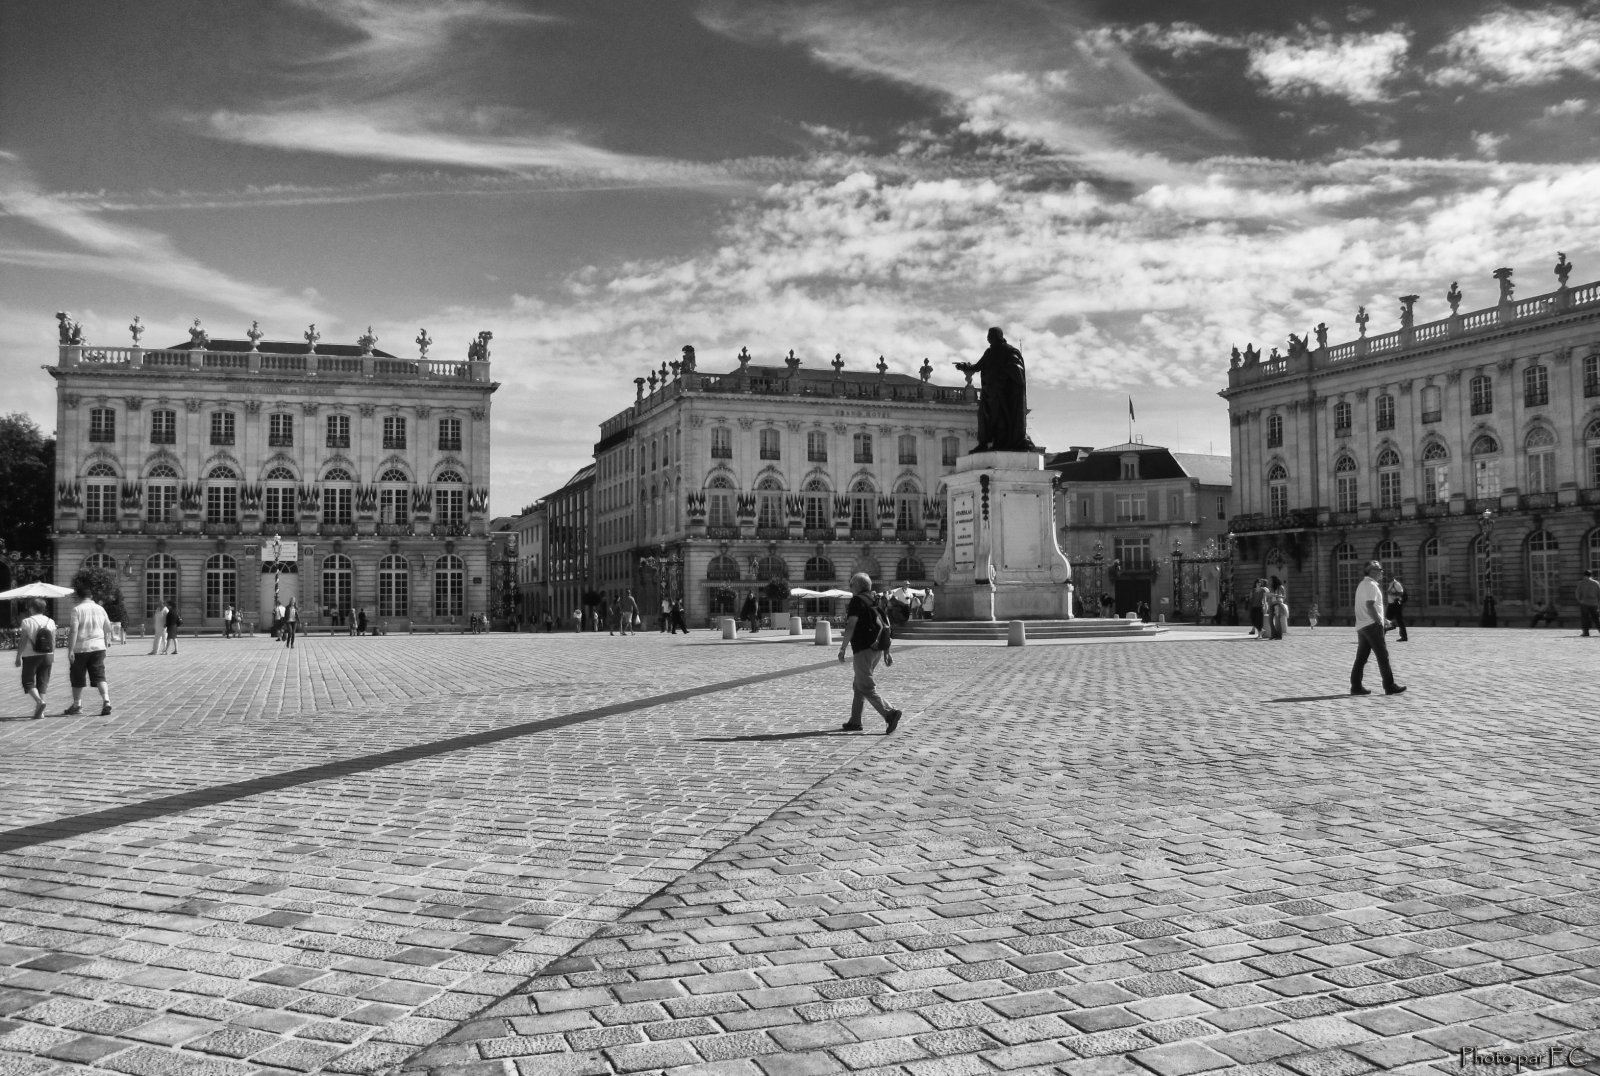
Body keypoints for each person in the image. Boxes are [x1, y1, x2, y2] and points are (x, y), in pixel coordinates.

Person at [837, 572, 902, 734]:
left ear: (857, 586)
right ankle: (855, 721)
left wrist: (843, 647)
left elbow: (851, 624)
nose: (850, 588)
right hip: (876, 650)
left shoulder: (857, 601)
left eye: (851, 585)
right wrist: (887, 651)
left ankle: (890, 713)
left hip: (863, 649)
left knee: (866, 686)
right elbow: (886, 625)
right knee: (858, 685)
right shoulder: (875, 599)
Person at [953, 326, 1035, 452]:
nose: (988, 338)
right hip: (989, 392)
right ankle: (984, 442)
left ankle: (999, 443)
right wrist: (965, 366)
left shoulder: (1009, 351)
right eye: (988, 336)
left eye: (990, 335)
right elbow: (977, 366)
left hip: (1003, 393)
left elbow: (1017, 370)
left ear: (998, 336)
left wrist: (1002, 374)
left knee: (1000, 418)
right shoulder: (989, 352)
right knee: (983, 416)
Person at [1351, 560, 1406, 697]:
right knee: (1383, 656)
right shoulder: (1371, 586)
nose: (1382, 572)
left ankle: (1356, 686)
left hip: (1362, 625)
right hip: (1371, 626)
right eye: (1380, 569)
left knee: (1361, 658)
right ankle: (1389, 685)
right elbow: (1370, 606)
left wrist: (1383, 619)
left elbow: (1368, 607)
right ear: (1372, 571)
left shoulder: (1362, 584)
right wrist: (1379, 623)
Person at [65, 578, 114, 717]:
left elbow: (74, 630)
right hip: (98, 647)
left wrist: (70, 650)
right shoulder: (100, 608)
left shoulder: (77, 609)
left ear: (79, 597)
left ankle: (77, 705)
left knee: (77, 676)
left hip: (81, 648)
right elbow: (108, 628)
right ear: (91, 596)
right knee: (99, 675)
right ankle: (106, 701)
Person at [16, 597, 55, 720]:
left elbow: (23, 640)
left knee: (27, 681)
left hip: (30, 655)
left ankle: (39, 701)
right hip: (47, 655)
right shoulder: (50, 621)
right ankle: (41, 712)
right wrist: (52, 654)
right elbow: (53, 640)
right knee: (43, 681)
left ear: (31, 608)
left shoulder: (27, 621)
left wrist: (18, 656)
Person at [1385, 573, 1408, 641]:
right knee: (1387, 620)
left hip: (1396, 604)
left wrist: (1392, 593)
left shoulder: (1396, 584)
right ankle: (1381, 636)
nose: (1387, 578)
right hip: (1391, 604)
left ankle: (1404, 636)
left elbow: (1401, 593)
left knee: (1399, 620)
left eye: (1389, 577)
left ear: (1393, 577)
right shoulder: (1391, 584)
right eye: (1387, 577)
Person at [1578, 570, 1600, 637]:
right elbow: (1599, 594)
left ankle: (1586, 632)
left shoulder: (1581, 583)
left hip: (1585, 603)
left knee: (1585, 618)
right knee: (1596, 618)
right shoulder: (1596, 583)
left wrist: (1580, 600)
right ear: (1591, 575)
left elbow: (1577, 593)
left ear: (1584, 575)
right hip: (1594, 603)